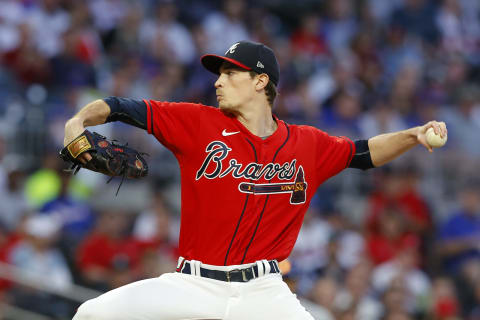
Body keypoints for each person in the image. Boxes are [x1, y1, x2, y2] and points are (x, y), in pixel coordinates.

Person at [63, 40, 447, 319]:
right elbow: (119, 107)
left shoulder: (307, 144)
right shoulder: (197, 122)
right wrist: (76, 122)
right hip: (193, 285)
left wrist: (411, 136)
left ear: (261, 82)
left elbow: (363, 153)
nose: (218, 81)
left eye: (230, 73)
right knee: (92, 314)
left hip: (263, 292)